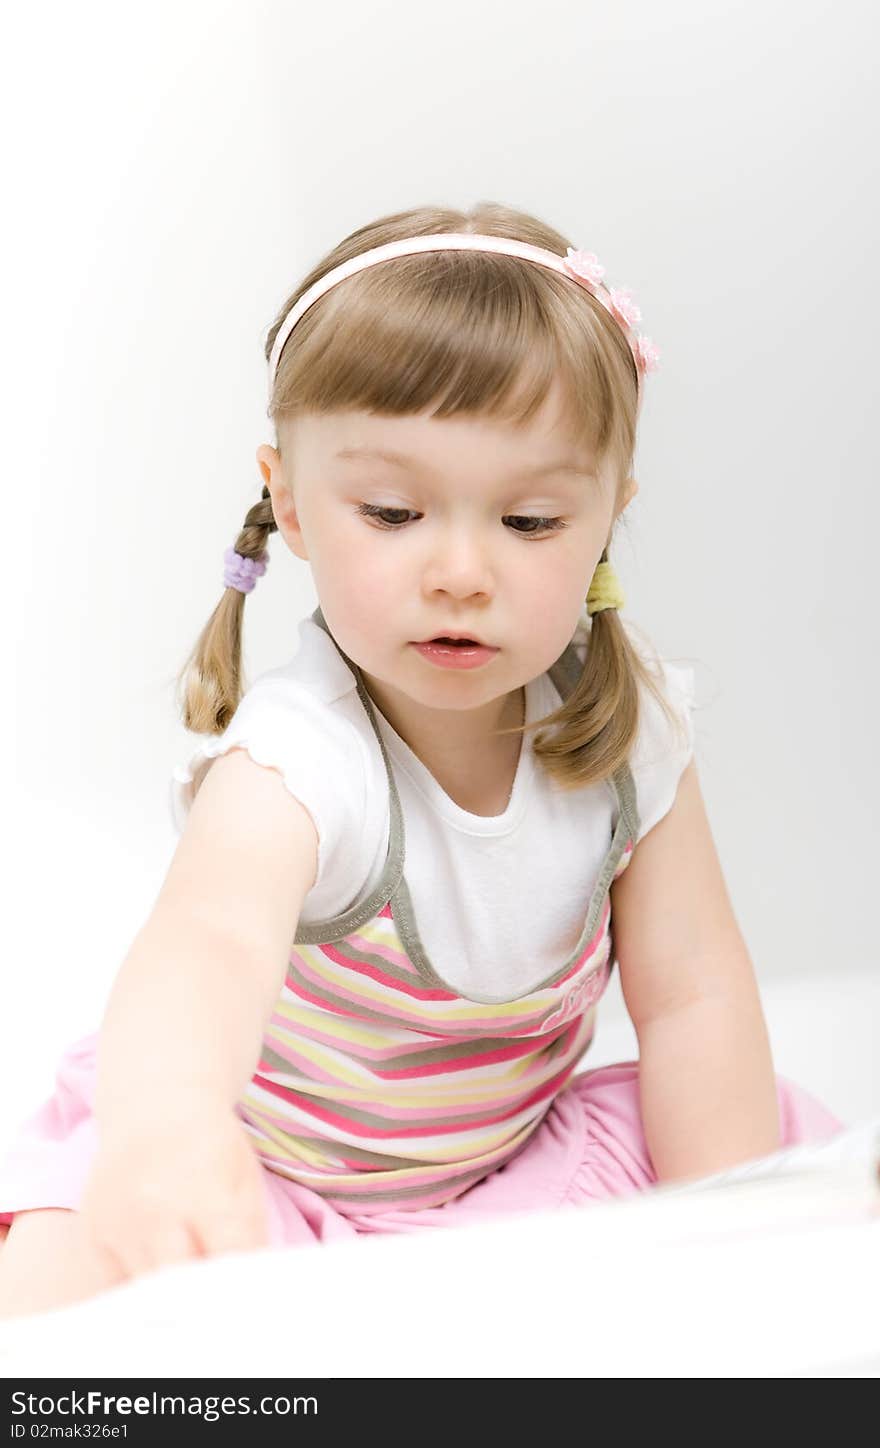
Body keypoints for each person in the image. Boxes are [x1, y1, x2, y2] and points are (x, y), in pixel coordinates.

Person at [0, 201, 843, 1319]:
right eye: (393, 511)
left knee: (779, 1168)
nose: (459, 569)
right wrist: (168, 1128)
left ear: (607, 517)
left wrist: (728, 1219)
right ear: (291, 502)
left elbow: (691, 995)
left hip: (510, 1160)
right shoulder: (299, 761)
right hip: (269, 1169)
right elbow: (200, 954)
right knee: (63, 1295)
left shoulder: (626, 729)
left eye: (530, 521)